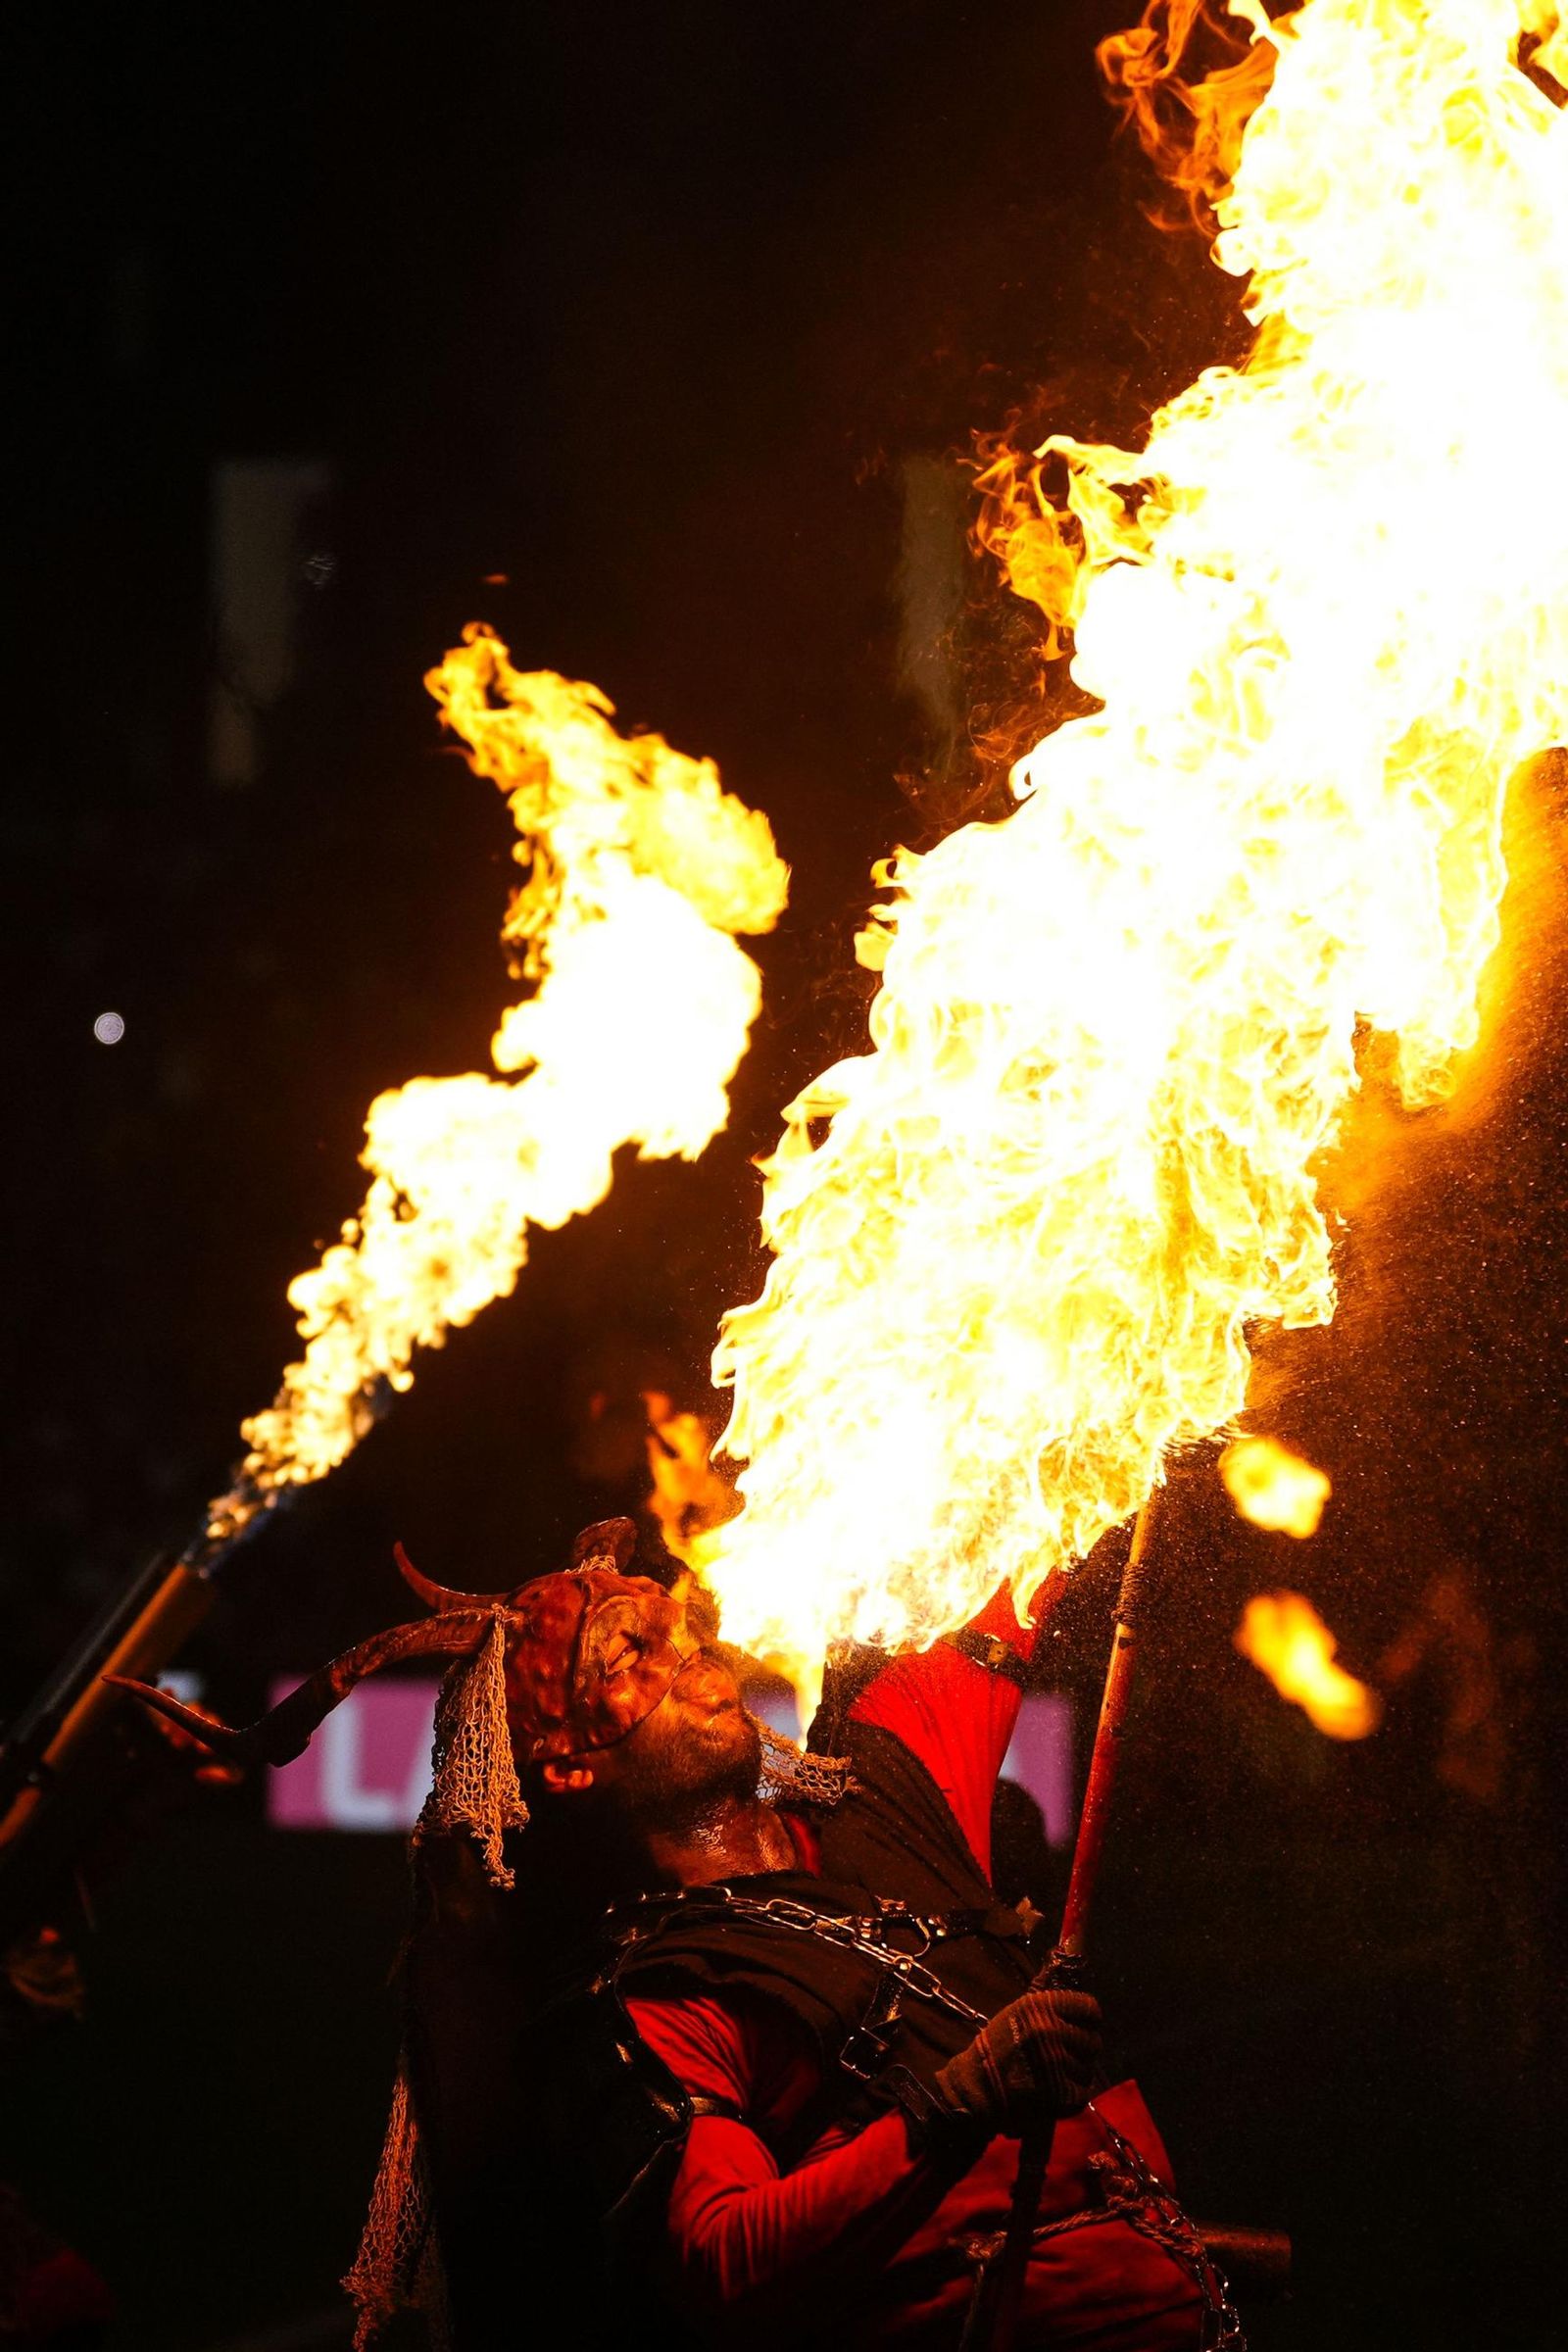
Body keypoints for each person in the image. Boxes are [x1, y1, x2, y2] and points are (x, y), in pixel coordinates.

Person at [116, 1519, 1238, 2350]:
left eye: (675, 1631)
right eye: (626, 1660)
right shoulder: (655, 1996)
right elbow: (723, 2259)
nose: (691, 1655)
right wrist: (956, 2105)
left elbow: (1015, 1529)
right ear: (566, 1762)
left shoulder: (885, 1785)